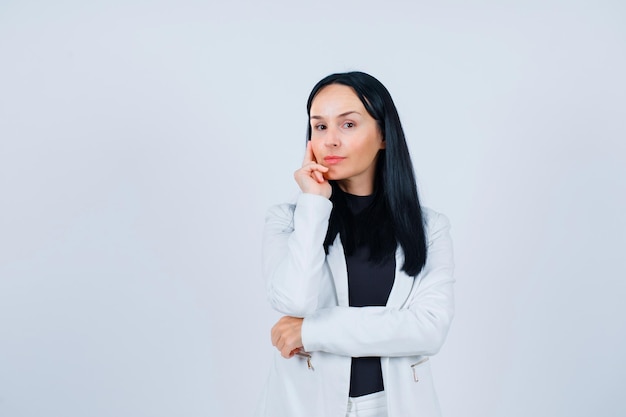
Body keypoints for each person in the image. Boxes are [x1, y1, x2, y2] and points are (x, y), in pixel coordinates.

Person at [256, 71, 455, 417]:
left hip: (394, 407)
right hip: (304, 405)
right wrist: (315, 204)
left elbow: (427, 329)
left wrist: (311, 331)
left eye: (347, 125)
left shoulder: (429, 227)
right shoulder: (288, 221)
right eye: (320, 127)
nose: (330, 140)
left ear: (383, 136)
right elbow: (294, 300)